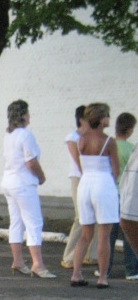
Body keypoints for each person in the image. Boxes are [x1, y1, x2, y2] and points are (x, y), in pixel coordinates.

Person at [0, 100, 56, 278]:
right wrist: (41, 176)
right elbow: (30, 161)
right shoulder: (26, 135)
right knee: (34, 222)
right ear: (23, 116)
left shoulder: (8, 135)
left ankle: (18, 261)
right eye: (27, 113)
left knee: (16, 222)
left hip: (9, 181)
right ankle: (37, 264)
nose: (29, 116)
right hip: (23, 183)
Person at [70, 103, 121, 288]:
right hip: (103, 183)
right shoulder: (109, 141)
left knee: (85, 234)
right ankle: (102, 278)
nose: (109, 118)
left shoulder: (80, 140)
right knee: (104, 236)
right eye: (107, 115)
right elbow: (116, 170)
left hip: (85, 184)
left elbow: (81, 165)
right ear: (101, 119)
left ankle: (76, 274)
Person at [60, 106, 97, 269]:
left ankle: (90, 254)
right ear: (82, 120)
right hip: (79, 178)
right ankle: (69, 257)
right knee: (80, 217)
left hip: (92, 178)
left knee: (96, 216)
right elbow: (78, 159)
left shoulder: (93, 136)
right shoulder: (72, 137)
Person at [108, 112, 138, 280]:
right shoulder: (131, 148)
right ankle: (131, 270)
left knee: (109, 234)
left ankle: (105, 268)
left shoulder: (108, 145)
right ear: (130, 129)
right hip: (125, 194)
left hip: (109, 193)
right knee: (129, 234)